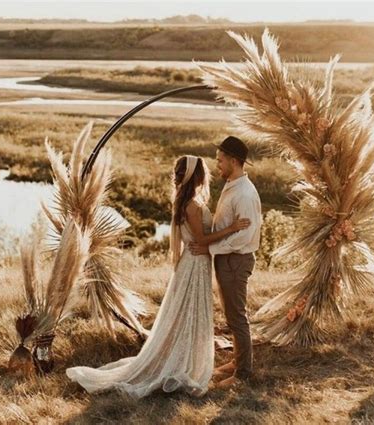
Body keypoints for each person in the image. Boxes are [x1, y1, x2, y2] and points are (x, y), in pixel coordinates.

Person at [66, 155, 251, 398]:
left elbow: (198, 239)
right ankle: (182, 363)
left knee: (188, 312)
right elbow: (201, 240)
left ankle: (185, 358)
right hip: (195, 263)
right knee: (190, 312)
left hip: (195, 261)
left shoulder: (187, 200)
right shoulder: (192, 205)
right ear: (196, 176)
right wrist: (232, 228)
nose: (208, 174)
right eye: (203, 171)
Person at [190, 136, 262, 388]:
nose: (217, 165)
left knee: (237, 317)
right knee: (232, 315)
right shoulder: (233, 184)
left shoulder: (244, 193)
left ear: (234, 161)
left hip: (235, 260)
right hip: (227, 259)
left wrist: (210, 248)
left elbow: (245, 236)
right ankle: (237, 361)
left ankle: (242, 374)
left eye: (220, 160)